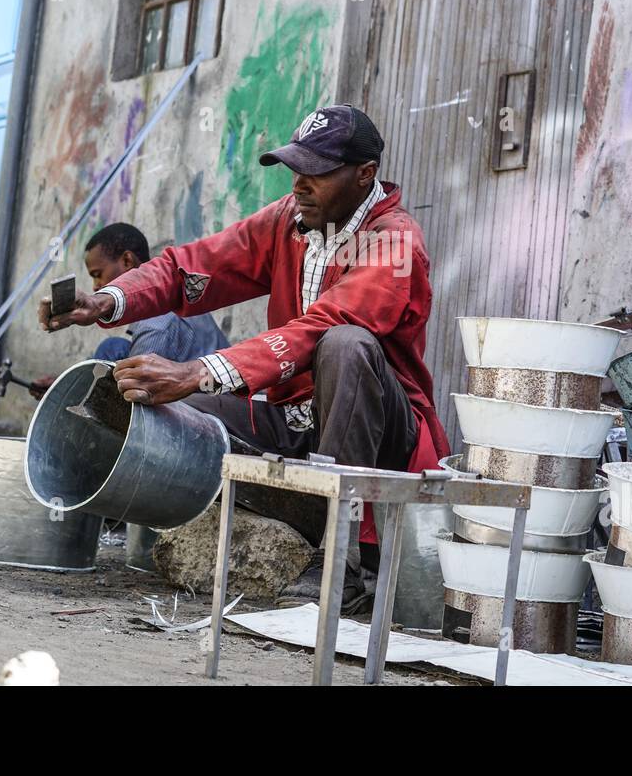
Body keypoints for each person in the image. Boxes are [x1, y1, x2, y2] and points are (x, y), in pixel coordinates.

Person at [40, 105, 448, 613]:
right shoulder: (289, 220)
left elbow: (322, 327)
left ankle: (344, 563)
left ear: (365, 175)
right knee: (161, 406)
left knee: (345, 344)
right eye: (296, 169)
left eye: (317, 173)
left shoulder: (395, 240)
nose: (300, 184)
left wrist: (196, 372)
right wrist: (108, 300)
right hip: (297, 420)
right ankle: (150, 527)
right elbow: (188, 266)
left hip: (380, 433)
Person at [28, 223, 228, 400]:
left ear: (127, 261)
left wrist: (72, 397)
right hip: (194, 383)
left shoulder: (158, 319)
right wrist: (64, 387)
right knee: (113, 348)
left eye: (98, 275)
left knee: (120, 388)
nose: (96, 286)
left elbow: (137, 393)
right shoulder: (162, 297)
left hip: (211, 408)